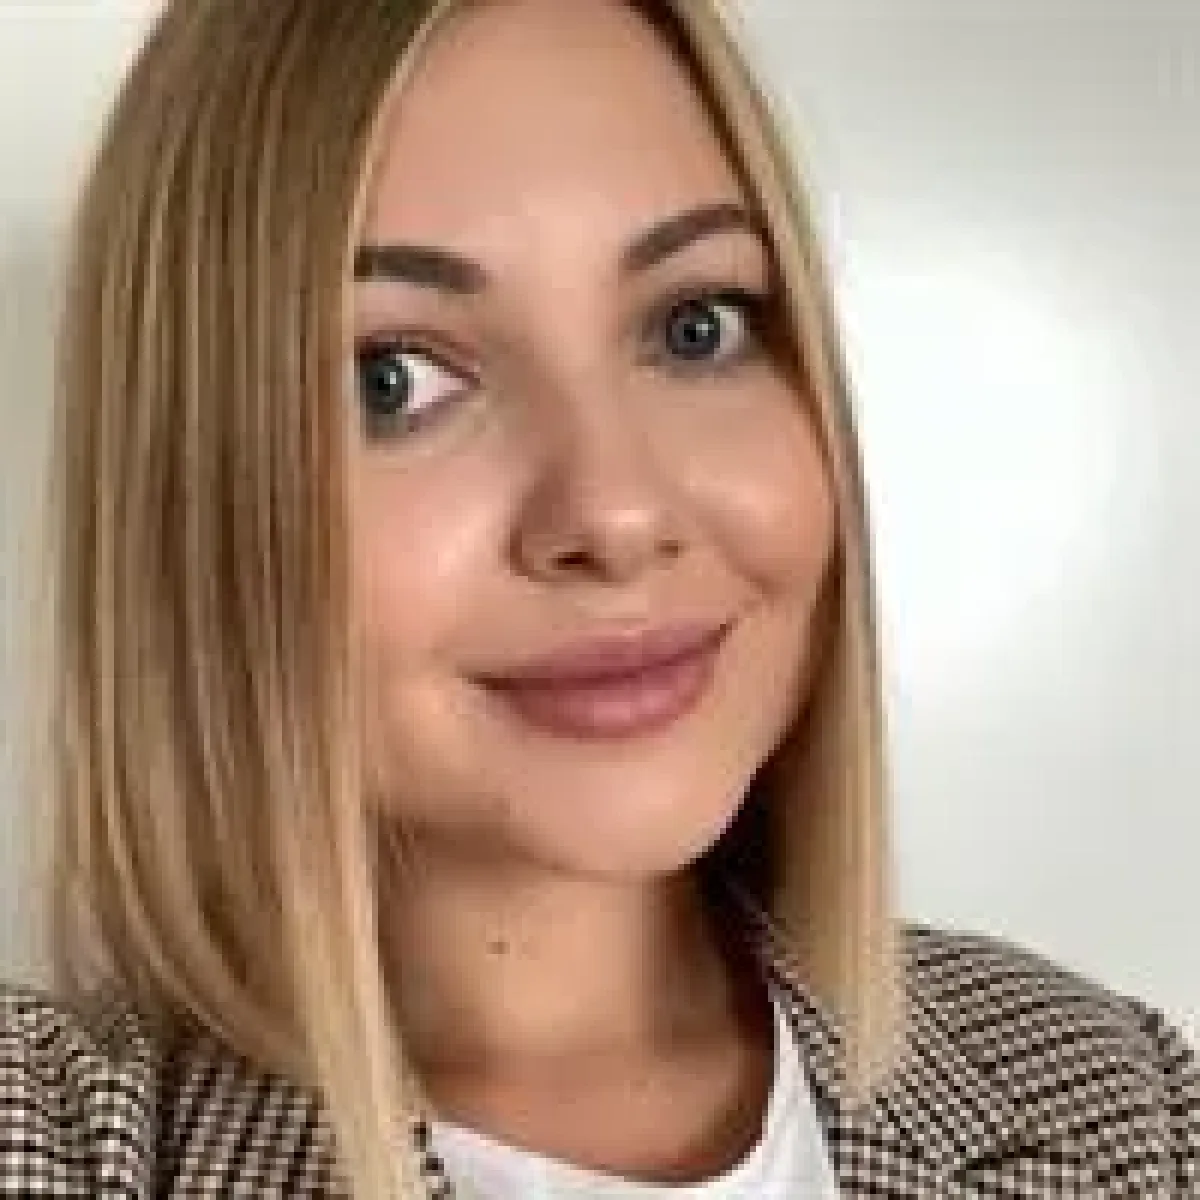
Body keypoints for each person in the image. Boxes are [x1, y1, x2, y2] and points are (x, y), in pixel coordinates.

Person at [2, 0, 1196, 1196]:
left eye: (695, 327)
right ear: (186, 489)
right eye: (391, 378)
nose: (618, 516)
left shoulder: (1119, 1097)